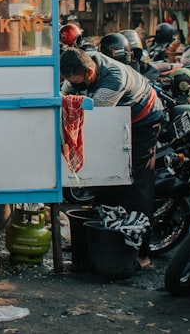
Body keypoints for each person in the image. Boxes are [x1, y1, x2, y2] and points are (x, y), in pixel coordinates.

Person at [60, 46, 163, 269]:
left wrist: (68, 100)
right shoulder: (83, 65)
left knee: (136, 183)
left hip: (143, 121)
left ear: (89, 73)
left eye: (78, 83)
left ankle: (141, 252)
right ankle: (99, 239)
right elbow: (66, 93)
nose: (74, 86)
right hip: (117, 121)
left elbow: (95, 112)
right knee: (106, 180)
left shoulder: (113, 80)